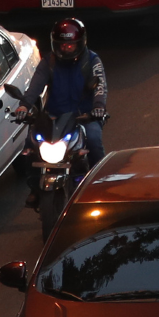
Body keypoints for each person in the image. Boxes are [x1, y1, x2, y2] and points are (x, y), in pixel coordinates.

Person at [17, 18, 108, 204]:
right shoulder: (48, 62)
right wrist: (24, 105)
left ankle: (100, 186)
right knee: (30, 145)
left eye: (71, 45)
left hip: (84, 117)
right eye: (63, 45)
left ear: (80, 44)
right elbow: (35, 85)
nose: (66, 49)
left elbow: (101, 87)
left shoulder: (92, 61)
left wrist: (98, 107)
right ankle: (35, 188)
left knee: (94, 142)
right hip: (54, 117)